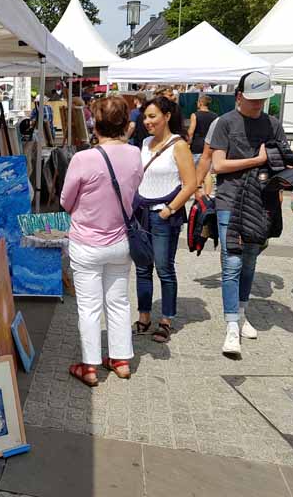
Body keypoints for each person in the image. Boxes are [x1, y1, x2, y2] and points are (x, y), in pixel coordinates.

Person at [61, 96, 143, 387]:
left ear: (95, 125)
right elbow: (135, 190)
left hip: (86, 241)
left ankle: (90, 366)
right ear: (125, 123)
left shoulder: (84, 158)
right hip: (120, 240)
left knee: (89, 306)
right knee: (119, 301)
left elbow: (66, 200)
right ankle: (121, 360)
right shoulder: (135, 154)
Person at [210, 71, 284, 358]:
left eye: (262, 100)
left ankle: (241, 314)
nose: (258, 105)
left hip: (261, 202)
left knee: (250, 261)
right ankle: (231, 325)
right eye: (253, 99)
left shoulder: (273, 124)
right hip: (230, 200)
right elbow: (218, 165)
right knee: (232, 262)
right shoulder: (225, 122)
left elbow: (281, 163)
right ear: (239, 96)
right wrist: (257, 160)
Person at [133, 96, 197, 343]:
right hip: (141, 214)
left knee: (164, 268)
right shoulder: (145, 142)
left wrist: (169, 210)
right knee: (142, 268)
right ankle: (144, 316)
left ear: (167, 116)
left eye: (153, 116)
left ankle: (166, 319)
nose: (147, 122)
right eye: (145, 117)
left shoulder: (178, 145)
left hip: (163, 216)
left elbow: (190, 184)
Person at [188, 95, 218, 166]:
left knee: (195, 169)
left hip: (197, 146)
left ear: (200, 103)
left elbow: (191, 132)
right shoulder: (215, 116)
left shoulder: (195, 115)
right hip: (210, 146)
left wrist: (187, 143)